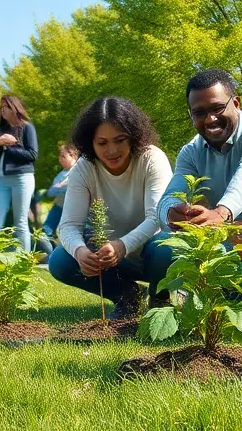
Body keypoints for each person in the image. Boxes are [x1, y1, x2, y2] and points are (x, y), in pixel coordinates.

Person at [146, 69, 242, 303]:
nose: (210, 119)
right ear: (191, 116)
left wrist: (222, 213)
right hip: (214, 237)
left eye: (218, 108)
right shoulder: (190, 152)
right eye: (199, 113)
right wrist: (172, 211)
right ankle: (163, 298)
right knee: (157, 248)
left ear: (236, 103)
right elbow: (169, 195)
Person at [48, 97, 172, 320]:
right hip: (109, 257)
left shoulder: (152, 159)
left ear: (133, 137)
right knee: (60, 261)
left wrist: (123, 245)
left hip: (153, 253)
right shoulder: (83, 169)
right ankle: (128, 297)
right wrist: (80, 252)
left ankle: (161, 297)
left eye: (120, 140)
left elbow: (158, 218)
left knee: (165, 245)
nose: (112, 150)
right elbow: (68, 226)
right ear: (90, 143)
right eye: (102, 143)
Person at [0, 95, 39, 251]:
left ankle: (24, 263)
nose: (2, 110)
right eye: (0, 107)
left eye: (5, 106)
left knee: (20, 222)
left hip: (22, 179)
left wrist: (11, 145)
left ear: (14, 108)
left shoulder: (27, 127)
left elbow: (32, 155)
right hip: (0, 182)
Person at [41, 145, 78, 238]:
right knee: (46, 230)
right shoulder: (61, 175)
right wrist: (62, 185)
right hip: (59, 207)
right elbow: (51, 192)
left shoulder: (80, 169)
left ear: (73, 156)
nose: (60, 159)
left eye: (63, 156)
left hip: (76, 210)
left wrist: (61, 186)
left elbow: (74, 185)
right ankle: (47, 245)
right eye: (60, 156)